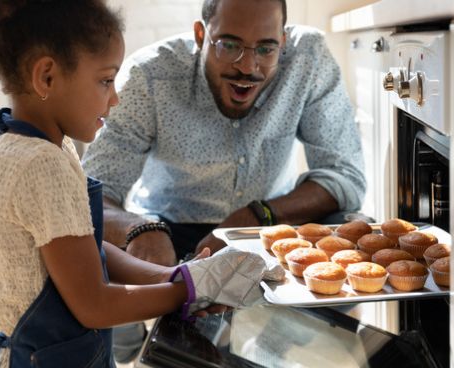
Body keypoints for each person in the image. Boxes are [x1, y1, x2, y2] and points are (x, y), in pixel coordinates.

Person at [0, 1, 268, 367]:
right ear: (47, 77)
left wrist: (173, 275)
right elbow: (94, 305)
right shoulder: (42, 164)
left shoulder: (17, 142)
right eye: (106, 80)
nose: (115, 97)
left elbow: (83, 248)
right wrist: (189, 291)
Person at [82, 0, 366, 362]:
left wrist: (256, 215)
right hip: (166, 226)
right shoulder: (149, 76)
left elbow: (345, 176)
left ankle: (276, 346)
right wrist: (143, 229)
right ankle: (128, 332)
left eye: (266, 48)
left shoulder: (308, 58)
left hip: (267, 224)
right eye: (228, 45)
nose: (247, 67)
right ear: (201, 35)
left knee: (353, 226)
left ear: (283, 40)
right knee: (89, 246)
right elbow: (92, 193)